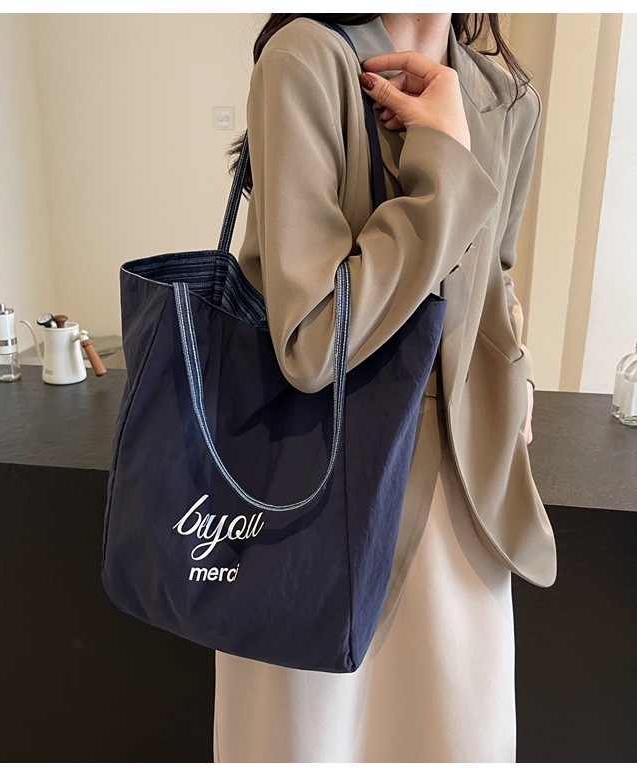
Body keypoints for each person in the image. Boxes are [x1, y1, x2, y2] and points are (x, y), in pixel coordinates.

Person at [213, 13, 557, 763]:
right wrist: (443, 165)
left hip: (462, 499)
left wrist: (516, 366)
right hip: (315, 495)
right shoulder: (308, 59)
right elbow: (312, 339)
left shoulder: (507, 97)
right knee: (309, 744)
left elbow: (494, 275)